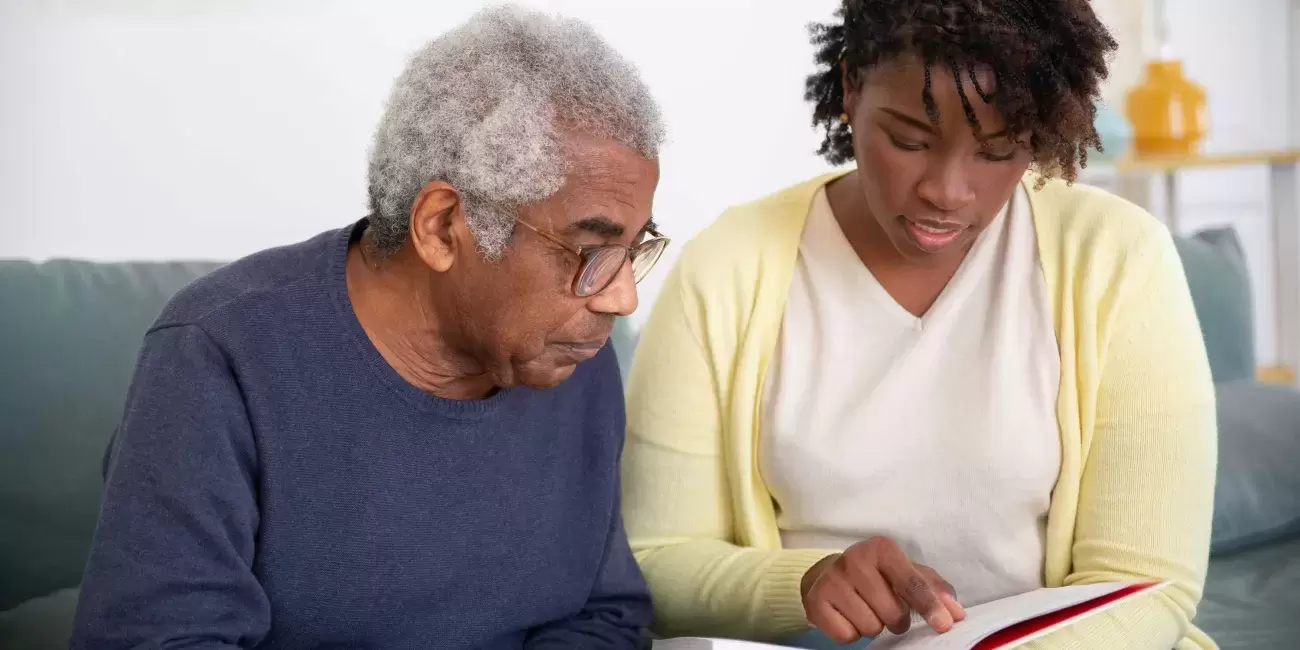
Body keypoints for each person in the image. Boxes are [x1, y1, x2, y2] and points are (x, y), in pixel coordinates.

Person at [621, 1, 1216, 648]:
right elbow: (657, 559)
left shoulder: (1117, 259)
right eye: (909, 140)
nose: (947, 190)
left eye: (998, 151)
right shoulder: (728, 266)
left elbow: (1145, 587)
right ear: (851, 88)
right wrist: (803, 582)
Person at [71, 6, 667, 649]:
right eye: (591, 251)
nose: (622, 298)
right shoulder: (219, 352)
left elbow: (599, 616)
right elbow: (164, 639)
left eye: (635, 249)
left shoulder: (571, 353)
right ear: (443, 226)